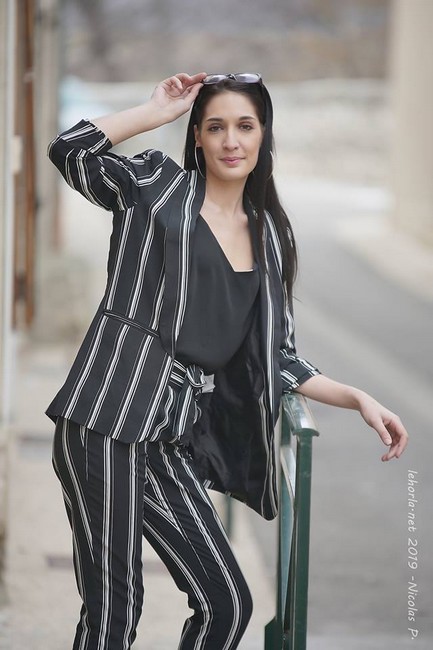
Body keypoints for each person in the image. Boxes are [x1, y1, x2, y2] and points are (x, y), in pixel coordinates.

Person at [47, 72, 408, 650]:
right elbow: (70, 149)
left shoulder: (269, 239)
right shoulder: (155, 189)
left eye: (245, 126)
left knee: (228, 604)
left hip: (169, 434)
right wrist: (154, 111)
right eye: (215, 127)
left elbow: (277, 356)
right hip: (106, 419)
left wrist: (358, 397)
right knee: (113, 613)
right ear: (197, 137)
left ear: (264, 135)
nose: (231, 141)